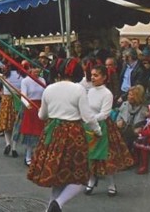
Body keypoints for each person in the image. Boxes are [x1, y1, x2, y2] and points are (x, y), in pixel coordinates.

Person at [27, 58, 102, 212]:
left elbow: (42, 115)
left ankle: (51, 207)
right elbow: (87, 117)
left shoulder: (49, 89)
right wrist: (98, 131)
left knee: (57, 177)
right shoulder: (79, 89)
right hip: (73, 134)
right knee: (80, 176)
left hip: (53, 133)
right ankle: (58, 204)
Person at [84, 65, 134, 197]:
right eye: (92, 75)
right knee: (90, 155)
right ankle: (91, 180)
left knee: (106, 157)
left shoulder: (107, 93)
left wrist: (90, 118)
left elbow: (105, 114)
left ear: (104, 77)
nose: (93, 78)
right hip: (90, 126)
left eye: (96, 75)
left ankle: (112, 184)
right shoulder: (90, 91)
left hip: (103, 127)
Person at [19, 63, 45, 166]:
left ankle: (38, 155)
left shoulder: (42, 80)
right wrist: (27, 104)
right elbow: (23, 95)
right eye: (34, 68)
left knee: (40, 133)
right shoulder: (25, 81)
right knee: (31, 133)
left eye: (38, 67)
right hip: (30, 107)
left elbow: (45, 94)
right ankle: (28, 156)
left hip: (41, 108)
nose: (36, 70)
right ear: (30, 69)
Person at [116, 85, 149, 152]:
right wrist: (119, 122)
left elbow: (145, 125)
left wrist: (140, 129)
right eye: (128, 94)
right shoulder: (124, 105)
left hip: (135, 136)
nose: (128, 96)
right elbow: (118, 119)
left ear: (137, 97)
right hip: (123, 132)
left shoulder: (144, 109)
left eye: (131, 95)